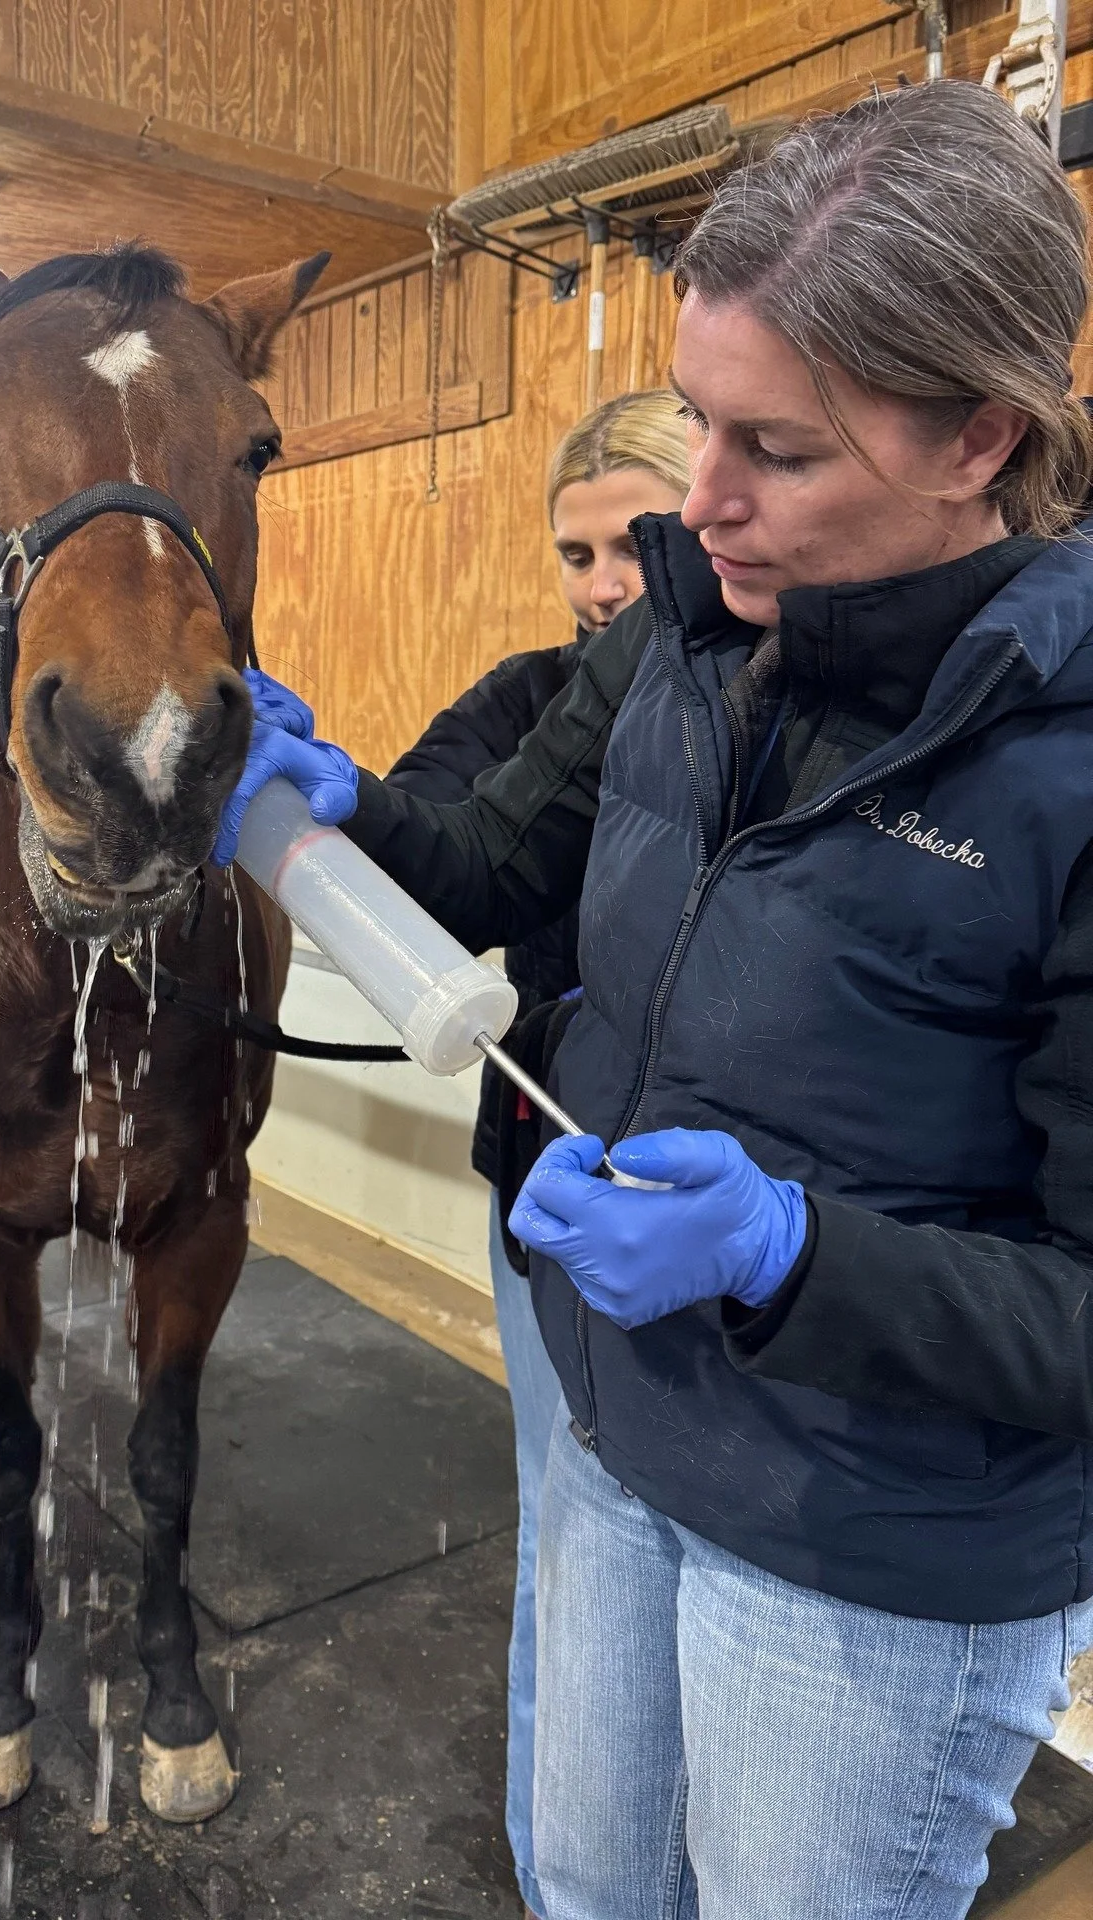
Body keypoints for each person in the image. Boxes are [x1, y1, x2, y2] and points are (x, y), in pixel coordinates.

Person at [216, 83, 1093, 1920]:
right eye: (698, 420)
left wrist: (786, 1254)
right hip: (622, 1439)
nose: (698, 504)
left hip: (872, 1548)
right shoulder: (681, 639)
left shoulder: (1064, 769)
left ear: (980, 440)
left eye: (775, 447)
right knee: (590, 1886)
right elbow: (494, 873)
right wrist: (339, 806)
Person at [381, 391, 690, 1920]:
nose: (599, 584)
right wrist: (335, 814)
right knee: (571, 1543)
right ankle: (551, 1865)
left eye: (633, 544)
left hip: (751, 1214)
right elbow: (435, 846)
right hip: (560, 1192)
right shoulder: (527, 702)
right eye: (574, 552)